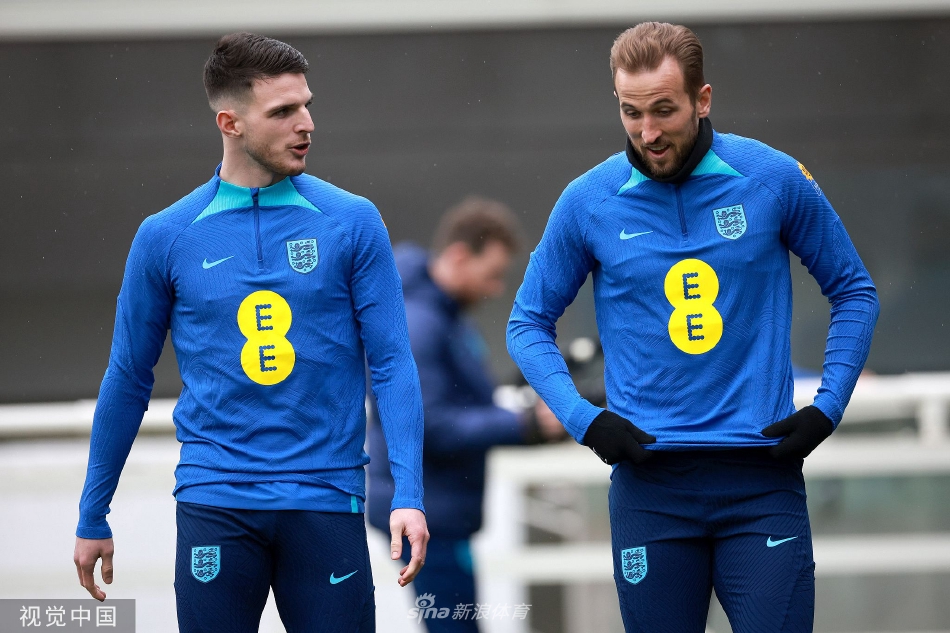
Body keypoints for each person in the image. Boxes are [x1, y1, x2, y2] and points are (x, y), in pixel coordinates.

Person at [506, 22, 879, 633]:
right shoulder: (588, 200)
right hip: (650, 491)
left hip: (761, 482)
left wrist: (827, 407)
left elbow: (854, 291)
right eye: (631, 113)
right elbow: (527, 323)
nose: (647, 133)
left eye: (663, 110)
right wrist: (584, 420)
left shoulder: (773, 178)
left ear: (702, 100)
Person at [73, 33, 429, 632]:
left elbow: (393, 363)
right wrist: (93, 513)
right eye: (283, 111)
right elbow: (128, 377)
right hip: (215, 501)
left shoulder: (352, 221)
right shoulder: (166, 236)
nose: (306, 124)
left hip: (326, 499)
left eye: (307, 105)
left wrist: (409, 495)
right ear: (230, 123)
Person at [367, 197, 565, 630]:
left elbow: (461, 404)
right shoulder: (421, 323)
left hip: (441, 512)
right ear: (459, 256)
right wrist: (527, 423)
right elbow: (429, 425)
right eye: (491, 274)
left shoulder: (445, 317)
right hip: (428, 517)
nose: (495, 288)